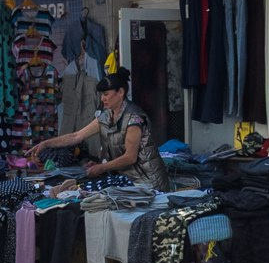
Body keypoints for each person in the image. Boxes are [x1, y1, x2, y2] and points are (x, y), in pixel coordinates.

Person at [25, 70, 171, 191]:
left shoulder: (134, 118)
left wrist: (102, 167)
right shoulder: (107, 116)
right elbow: (76, 136)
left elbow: (130, 157)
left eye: (106, 94)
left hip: (148, 183)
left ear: (120, 92)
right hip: (127, 180)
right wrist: (45, 144)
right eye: (101, 95)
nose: (102, 99)